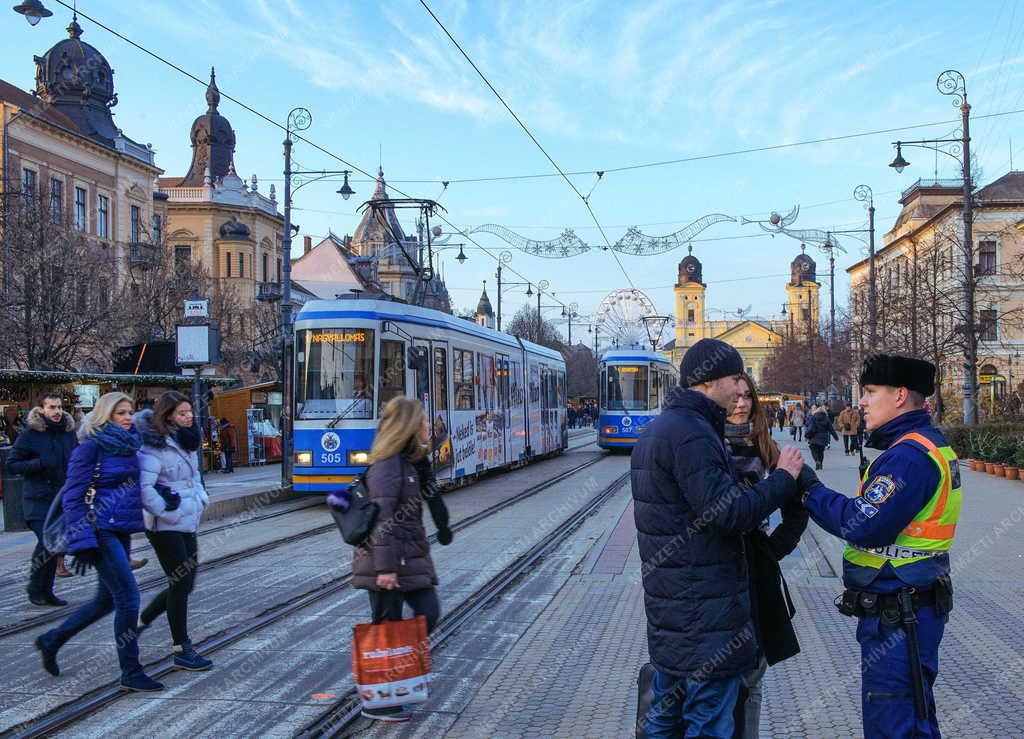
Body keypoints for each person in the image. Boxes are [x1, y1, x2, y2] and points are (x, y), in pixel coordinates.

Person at [631, 338, 804, 738]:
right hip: (706, 615)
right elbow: (727, 514)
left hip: (673, 610)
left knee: (663, 717)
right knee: (708, 721)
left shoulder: (662, 428)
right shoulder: (693, 434)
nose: (739, 387)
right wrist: (783, 479)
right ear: (710, 382)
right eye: (734, 378)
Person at [798, 355, 958, 739]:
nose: (862, 402)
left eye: (870, 392)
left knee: (893, 721)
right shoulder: (922, 446)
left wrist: (809, 490)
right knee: (915, 713)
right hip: (911, 606)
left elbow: (865, 524)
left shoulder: (908, 457)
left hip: (899, 615)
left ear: (900, 395)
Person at [33, 392, 165, 692]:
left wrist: (165, 492)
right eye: (121, 413)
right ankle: (131, 671)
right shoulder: (90, 447)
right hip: (99, 531)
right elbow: (73, 497)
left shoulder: (131, 445)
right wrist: (82, 542)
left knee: (105, 601)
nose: (128, 418)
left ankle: (52, 639)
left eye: (130, 412)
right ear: (106, 415)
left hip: (120, 529)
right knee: (129, 598)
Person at [350, 397, 447, 724]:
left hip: (410, 558)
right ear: (408, 425)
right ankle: (377, 700)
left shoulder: (410, 462)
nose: (427, 426)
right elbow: (383, 521)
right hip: (385, 563)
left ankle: (396, 681)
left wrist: (443, 524)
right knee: (384, 630)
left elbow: (431, 496)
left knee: (427, 613)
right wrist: (386, 568)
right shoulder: (387, 466)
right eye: (422, 420)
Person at [724, 375, 808, 738]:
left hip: (755, 572)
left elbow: (798, 508)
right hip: (717, 570)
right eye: (734, 397)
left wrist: (772, 549)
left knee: (753, 675)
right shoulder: (704, 446)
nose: (741, 404)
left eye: (747, 397)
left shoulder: (768, 449)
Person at [134, 391, 212, 671]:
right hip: (164, 524)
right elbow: (144, 489)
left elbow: (194, 478)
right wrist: (167, 510)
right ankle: (181, 647)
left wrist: (201, 499)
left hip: (187, 520)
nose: (189, 416)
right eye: (182, 413)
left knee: (186, 583)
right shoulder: (153, 447)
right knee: (179, 582)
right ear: (168, 416)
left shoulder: (187, 441)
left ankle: (143, 619)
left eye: (190, 412)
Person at [7, 393, 78, 606]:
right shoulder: (30, 435)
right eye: (51, 408)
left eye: (59, 407)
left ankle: (45, 590)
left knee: (53, 545)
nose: (57, 411)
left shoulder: (68, 433)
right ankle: (36, 588)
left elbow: (76, 460)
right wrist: (38, 464)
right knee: (47, 543)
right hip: (37, 498)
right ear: (41, 410)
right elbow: (12, 463)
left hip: (60, 499)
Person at [806, 404, 839, 471]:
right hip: (823, 438)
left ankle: (817, 461)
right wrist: (836, 437)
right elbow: (831, 429)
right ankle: (820, 462)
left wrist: (807, 435)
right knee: (821, 451)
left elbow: (808, 425)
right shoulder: (826, 419)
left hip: (814, 437)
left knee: (813, 450)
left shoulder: (813, 417)